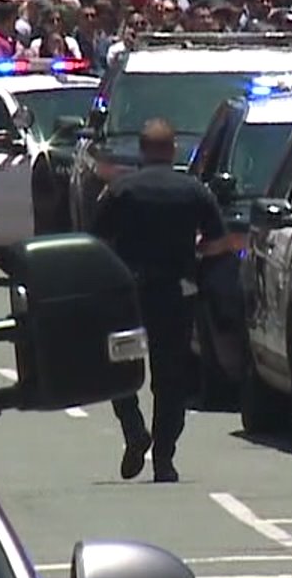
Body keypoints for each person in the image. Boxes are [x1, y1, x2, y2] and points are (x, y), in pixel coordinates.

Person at [90, 118, 233, 483]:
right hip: (175, 293)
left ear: (141, 151)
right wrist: (195, 255)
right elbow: (219, 241)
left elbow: (96, 244)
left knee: (120, 370)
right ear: (171, 151)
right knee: (171, 379)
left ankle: (135, 430)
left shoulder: (121, 191)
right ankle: (164, 458)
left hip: (129, 295)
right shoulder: (194, 191)